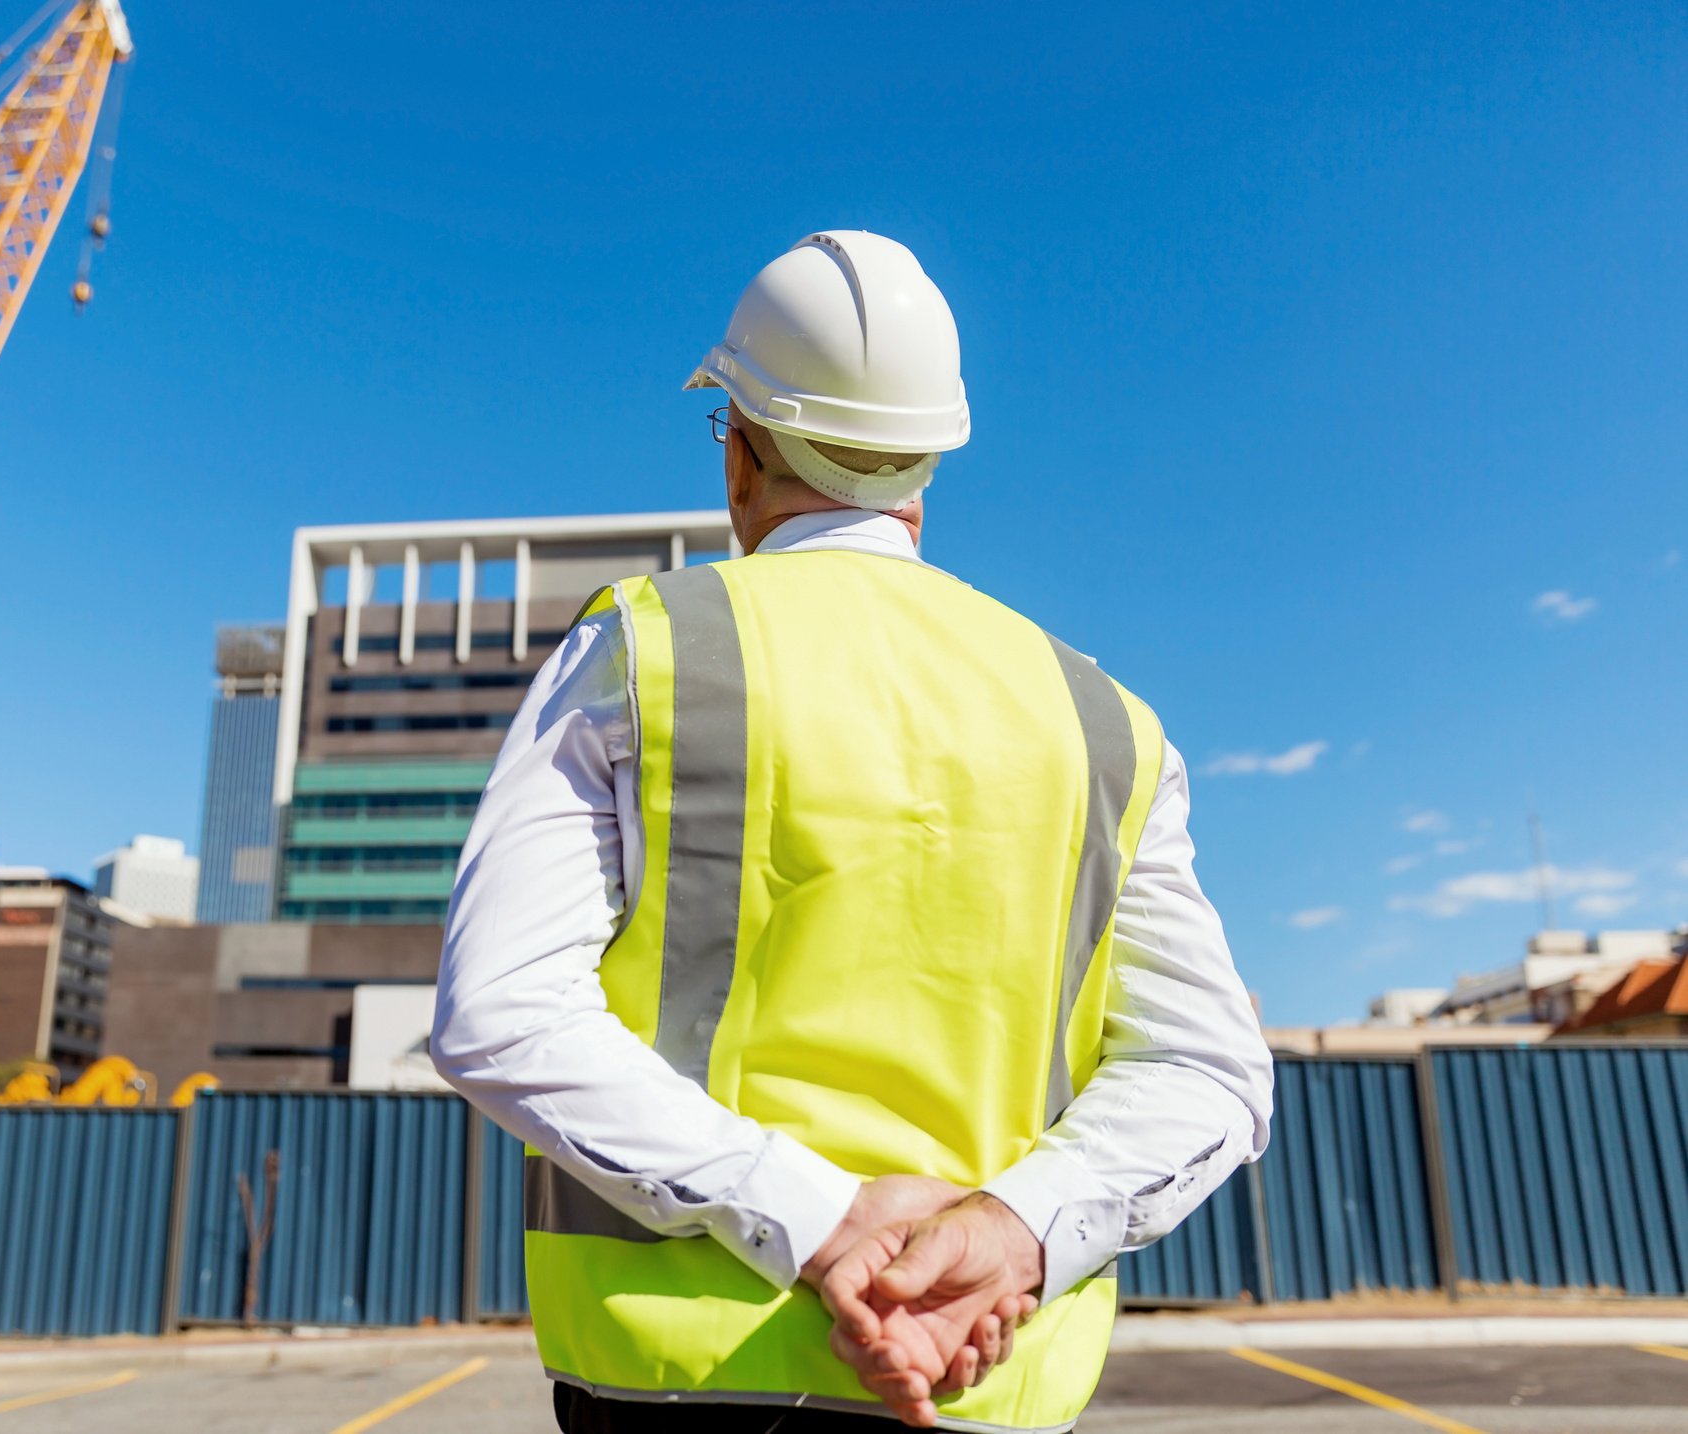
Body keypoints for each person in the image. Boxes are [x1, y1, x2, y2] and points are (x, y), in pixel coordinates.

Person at [432, 230, 1274, 1432]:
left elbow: (498, 1013)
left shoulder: (648, 648)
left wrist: (820, 1222)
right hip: (980, 1380)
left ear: (739, 453)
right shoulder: (1103, 719)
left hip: (682, 1390)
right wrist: (1014, 1229)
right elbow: (1204, 1071)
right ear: (926, 463)